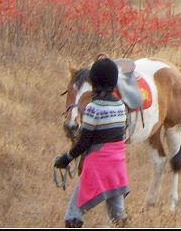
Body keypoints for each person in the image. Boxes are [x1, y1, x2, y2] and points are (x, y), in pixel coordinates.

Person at [54, 58, 130, 227]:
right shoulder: (120, 106)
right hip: (117, 168)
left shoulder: (93, 109)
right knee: (118, 217)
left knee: (73, 216)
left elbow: (83, 143)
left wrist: (65, 158)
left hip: (97, 167)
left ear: (93, 82)